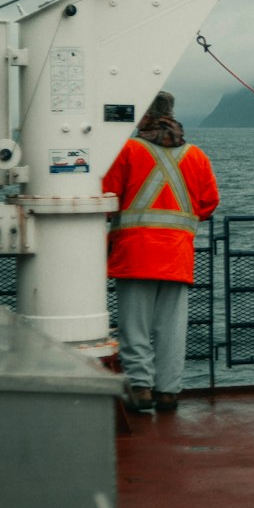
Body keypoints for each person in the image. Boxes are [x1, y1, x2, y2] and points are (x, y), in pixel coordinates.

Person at [102, 91, 219, 414]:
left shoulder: (127, 150)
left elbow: (105, 197)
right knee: (171, 328)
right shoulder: (196, 156)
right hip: (177, 256)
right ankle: (168, 391)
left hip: (135, 253)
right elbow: (208, 204)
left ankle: (141, 388)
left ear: (144, 116)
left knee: (134, 327)